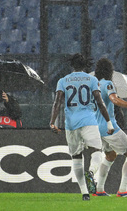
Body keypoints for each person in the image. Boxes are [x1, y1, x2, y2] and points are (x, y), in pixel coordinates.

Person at [49, 53, 114, 201]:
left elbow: (57, 102)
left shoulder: (63, 80)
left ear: (72, 65)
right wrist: (108, 122)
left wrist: (52, 122)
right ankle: (91, 172)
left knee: (77, 157)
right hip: (88, 120)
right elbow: (99, 101)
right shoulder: (92, 79)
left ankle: (84, 192)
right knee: (97, 150)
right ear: (85, 65)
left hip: (71, 123)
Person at [92, 58, 127, 197]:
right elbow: (114, 100)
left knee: (110, 155)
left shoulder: (94, 84)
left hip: (96, 128)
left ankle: (99, 189)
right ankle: (123, 189)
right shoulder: (108, 83)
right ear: (109, 71)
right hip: (109, 127)